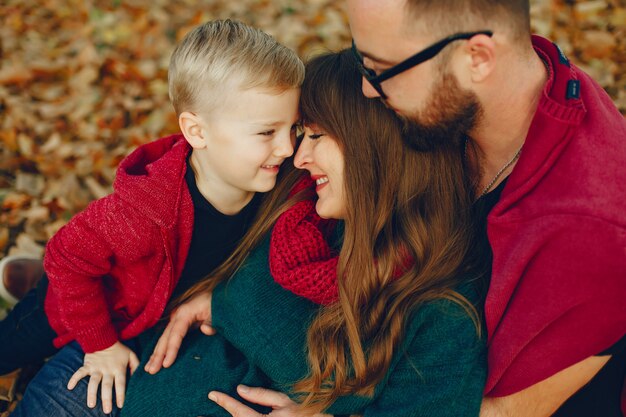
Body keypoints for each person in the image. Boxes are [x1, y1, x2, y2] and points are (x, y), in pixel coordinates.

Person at [114, 49, 486, 417]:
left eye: (316, 135)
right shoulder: (299, 213)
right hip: (122, 374)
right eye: (300, 134)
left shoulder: (442, 314)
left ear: (373, 144)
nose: (297, 156)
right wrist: (218, 300)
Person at [6, 19, 303, 416]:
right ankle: (30, 290)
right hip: (70, 307)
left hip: (146, 304)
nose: (287, 148)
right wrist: (101, 346)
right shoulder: (146, 213)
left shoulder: (278, 179)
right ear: (197, 131)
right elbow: (66, 256)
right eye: (266, 133)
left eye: (294, 128)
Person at [344, 0, 626, 416]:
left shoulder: (592, 229)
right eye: (360, 59)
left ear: (477, 58)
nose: (368, 88)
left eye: (381, 68)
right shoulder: (473, 101)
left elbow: (498, 411)